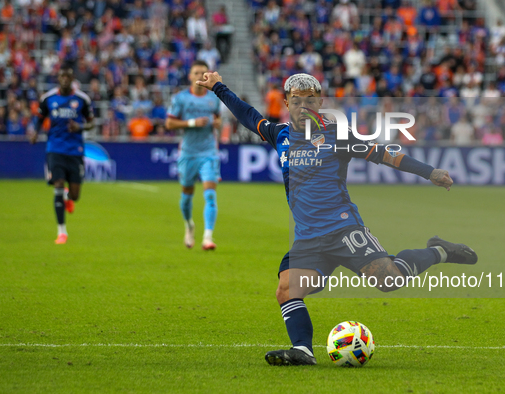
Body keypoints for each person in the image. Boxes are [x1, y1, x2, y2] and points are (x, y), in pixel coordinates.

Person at [197, 72, 478, 366]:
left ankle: (439, 250)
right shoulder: (279, 135)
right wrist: (218, 86)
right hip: (308, 238)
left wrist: (429, 172)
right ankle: (303, 350)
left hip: (344, 229)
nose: (303, 106)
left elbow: (385, 155)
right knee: (286, 288)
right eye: (296, 101)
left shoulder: (338, 136)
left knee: (389, 280)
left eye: (309, 101)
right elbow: (247, 114)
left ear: (319, 102)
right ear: (286, 103)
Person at [29, 65, 94, 244]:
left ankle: (67, 196)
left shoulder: (82, 99)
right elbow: (40, 118)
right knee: (57, 184)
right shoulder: (48, 98)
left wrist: (79, 127)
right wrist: (35, 132)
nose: (65, 79)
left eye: (68, 76)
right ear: (58, 78)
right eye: (62, 76)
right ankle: (62, 232)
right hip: (55, 148)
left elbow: (91, 123)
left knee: (75, 195)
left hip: (75, 151)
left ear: (72, 79)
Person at [165, 60, 222, 251]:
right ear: (190, 76)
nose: (200, 76)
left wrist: (217, 123)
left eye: (204, 73)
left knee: (210, 195)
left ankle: (208, 237)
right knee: (187, 196)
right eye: (196, 73)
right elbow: (169, 124)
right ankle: (189, 224)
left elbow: (218, 118)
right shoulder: (180, 98)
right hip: (188, 152)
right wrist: (191, 123)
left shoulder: (214, 98)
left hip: (209, 152)